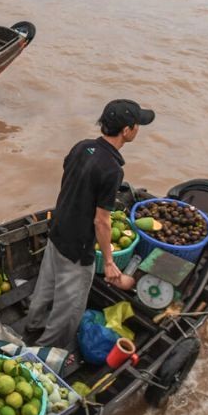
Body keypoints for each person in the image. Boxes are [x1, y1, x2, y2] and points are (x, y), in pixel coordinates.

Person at [23, 100, 155, 352]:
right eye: (137, 125)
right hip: (79, 246)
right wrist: (108, 261)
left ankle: (32, 326)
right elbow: (102, 221)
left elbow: (71, 178)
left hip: (58, 231)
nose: (138, 129)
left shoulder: (82, 147)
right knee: (69, 308)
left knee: (45, 286)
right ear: (126, 131)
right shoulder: (112, 169)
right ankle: (44, 354)